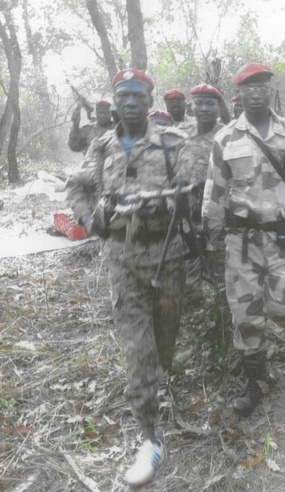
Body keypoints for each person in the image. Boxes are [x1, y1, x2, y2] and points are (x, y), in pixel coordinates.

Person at [66, 68, 188, 486]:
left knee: (165, 341)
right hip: (123, 260)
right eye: (124, 96)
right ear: (115, 102)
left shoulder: (173, 143)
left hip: (168, 259)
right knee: (139, 349)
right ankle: (150, 437)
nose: (130, 103)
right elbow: (77, 187)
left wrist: (168, 207)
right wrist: (92, 219)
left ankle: (161, 379)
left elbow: (196, 193)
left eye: (138, 95)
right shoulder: (100, 147)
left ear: (149, 101)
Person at [203, 63, 285, 417]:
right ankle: (256, 381)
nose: (256, 93)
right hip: (241, 239)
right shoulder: (225, 139)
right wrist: (210, 238)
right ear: (237, 94)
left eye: (262, 86)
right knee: (245, 312)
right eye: (248, 88)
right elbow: (215, 192)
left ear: (272, 91)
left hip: (283, 237)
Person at [176, 84, 226, 304]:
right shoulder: (178, 135)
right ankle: (194, 315)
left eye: (210, 104)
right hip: (185, 214)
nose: (205, 109)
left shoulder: (228, 135)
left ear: (218, 107)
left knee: (220, 269)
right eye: (200, 103)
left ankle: (221, 321)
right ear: (191, 106)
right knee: (188, 267)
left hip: (220, 213)